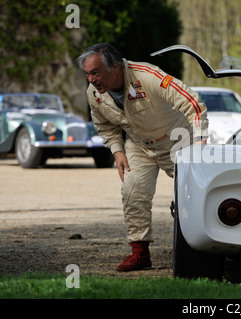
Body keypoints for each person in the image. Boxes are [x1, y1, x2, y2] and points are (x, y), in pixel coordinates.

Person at [77, 43, 208, 271]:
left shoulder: (147, 76)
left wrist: (199, 143)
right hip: (138, 145)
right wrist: (117, 150)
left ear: (115, 67)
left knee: (193, 193)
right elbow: (104, 125)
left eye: (96, 73)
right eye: (87, 74)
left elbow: (193, 102)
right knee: (133, 191)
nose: (91, 80)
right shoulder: (94, 94)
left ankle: (205, 247)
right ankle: (140, 254)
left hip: (177, 141)